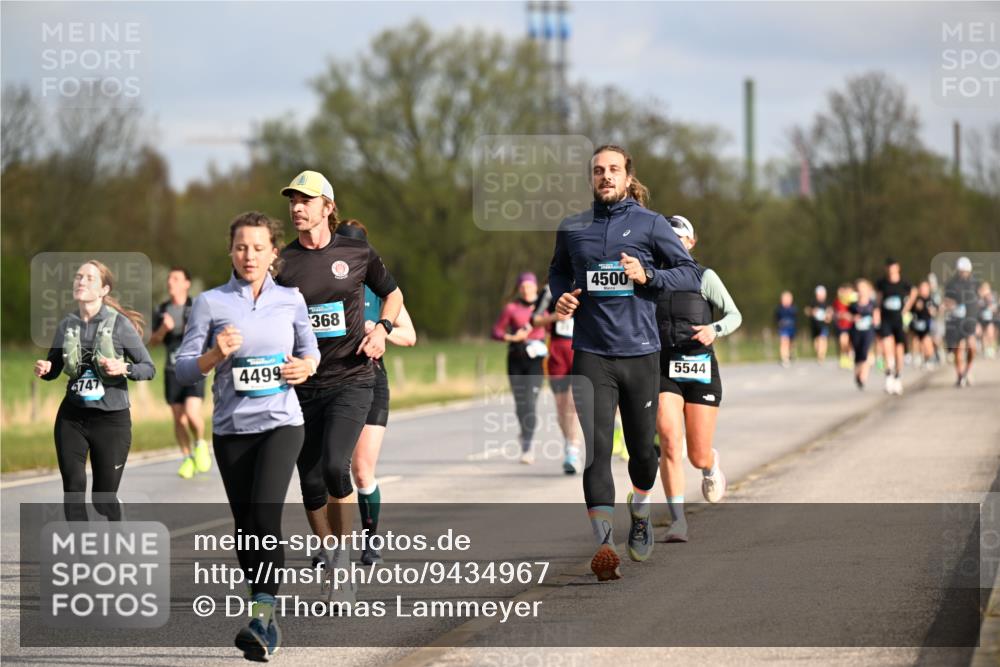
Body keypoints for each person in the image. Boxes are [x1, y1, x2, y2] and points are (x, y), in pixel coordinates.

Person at [549, 144, 702, 581]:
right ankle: (604, 545)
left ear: (627, 176)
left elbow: (689, 273)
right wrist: (561, 295)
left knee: (642, 453)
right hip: (591, 353)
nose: (606, 176)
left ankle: (640, 508)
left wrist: (648, 275)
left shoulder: (651, 224)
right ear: (591, 178)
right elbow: (557, 271)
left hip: (640, 352)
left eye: (613, 169)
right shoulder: (573, 227)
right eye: (598, 170)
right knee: (597, 451)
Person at [175, 212, 319, 661]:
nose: (249, 256)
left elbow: (310, 350)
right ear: (230, 251)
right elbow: (182, 368)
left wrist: (306, 367)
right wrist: (214, 354)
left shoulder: (291, 299)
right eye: (241, 247)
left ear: (274, 252)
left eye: (258, 248)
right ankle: (264, 616)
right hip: (232, 430)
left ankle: (261, 617)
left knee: (264, 516)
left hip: (282, 423)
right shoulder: (210, 303)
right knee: (244, 526)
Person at [275, 170, 403, 600]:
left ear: (328, 207)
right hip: (302, 386)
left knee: (335, 466)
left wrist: (383, 329)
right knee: (310, 481)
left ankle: (343, 561)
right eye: (292, 200)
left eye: (306, 200)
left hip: (352, 379)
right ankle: (330, 554)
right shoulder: (283, 263)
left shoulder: (357, 251)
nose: (297, 208)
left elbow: (394, 294)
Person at [34, 260, 156, 522]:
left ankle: (116, 512)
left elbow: (148, 368)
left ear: (104, 289)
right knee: (73, 489)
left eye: (90, 278)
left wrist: (123, 367)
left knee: (103, 499)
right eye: (78, 276)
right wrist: (46, 368)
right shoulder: (67, 325)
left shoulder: (120, 325)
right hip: (72, 417)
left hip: (111, 420)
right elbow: (55, 366)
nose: (81, 281)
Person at [654, 215, 742, 543]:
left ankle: (710, 465)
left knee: (697, 455)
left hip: (700, 368)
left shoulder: (705, 277)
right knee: (668, 440)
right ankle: (677, 520)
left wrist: (713, 329)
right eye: (667, 238)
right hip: (664, 368)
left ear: (691, 242)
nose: (673, 243)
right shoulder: (651, 278)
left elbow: (734, 315)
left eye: (679, 238)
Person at [337, 219, 417, 566]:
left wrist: (381, 331)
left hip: (371, 382)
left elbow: (410, 336)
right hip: (332, 383)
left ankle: (370, 541)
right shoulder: (323, 284)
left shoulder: (381, 289)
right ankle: (330, 544)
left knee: (361, 470)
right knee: (331, 469)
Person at [149, 267, 211, 479]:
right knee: (179, 419)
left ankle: (200, 443)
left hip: (194, 368)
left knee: (192, 414)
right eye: (169, 279)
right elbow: (153, 342)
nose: (170, 282)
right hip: (172, 370)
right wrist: (163, 329)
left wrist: (193, 330)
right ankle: (187, 458)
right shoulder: (162, 310)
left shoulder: (196, 307)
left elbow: (209, 333)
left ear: (186, 283)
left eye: (176, 278)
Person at [492, 273, 547, 464]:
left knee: (530, 402)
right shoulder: (511, 308)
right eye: (522, 286)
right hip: (516, 358)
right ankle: (524, 432)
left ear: (536, 287)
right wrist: (511, 337)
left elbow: (555, 326)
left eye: (529, 286)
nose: (526, 290)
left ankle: (528, 446)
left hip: (536, 360)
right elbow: (496, 331)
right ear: (519, 289)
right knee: (520, 404)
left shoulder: (544, 307)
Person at [532, 283, 582, 474]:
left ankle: (573, 451)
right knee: (561, 407)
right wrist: (555, 316)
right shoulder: (549, 289)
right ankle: (569, 444)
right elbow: (534, 319)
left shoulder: (587, 282)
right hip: (557, 352)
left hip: (580, 348)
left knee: (573, 403)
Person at [875, 258, 917, 395]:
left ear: (897, 268)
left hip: (899, 320)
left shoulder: (904, 283)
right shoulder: (882, 283)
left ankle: (898, 376)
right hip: (886, 320)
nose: (891, 271)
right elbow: (878, 300)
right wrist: (877, 313)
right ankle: (889, 376)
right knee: (887, 347)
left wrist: (907, 308)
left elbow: (914, 292)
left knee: (899, 350)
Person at [944, 256, 980, 388]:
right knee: (958, 350)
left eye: (966, 271)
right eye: (962, 271)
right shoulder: (951, 284)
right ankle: (960, 375)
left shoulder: (975, 283)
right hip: (957, 320)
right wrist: (951, 304)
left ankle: (967, 371)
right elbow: (946, 301)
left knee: (972, 347)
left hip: (970, 320)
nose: (964, 273)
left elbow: (978, 301)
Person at [849, 279, 879, 390]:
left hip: (868, 331)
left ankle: (863, 377)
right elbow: (845, 315)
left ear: (868, 289)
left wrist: (875, 321)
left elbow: (877, 317)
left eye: (863, 288)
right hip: (856, 332)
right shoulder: (853, 305)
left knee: (865, 353)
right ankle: (857, 374)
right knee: (858, 355)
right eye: (859, 289)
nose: (861, 291)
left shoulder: (872, 303)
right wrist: (853, 317)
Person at [909, 281, 937, 369]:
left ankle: (930, 358)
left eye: (925, 287)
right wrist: (915, 306)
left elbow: (935, 310)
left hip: (927, 323)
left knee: (926, 340)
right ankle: (918, 357)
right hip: (917, 323)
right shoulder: (916, 299)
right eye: (922, 287)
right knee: (916, 340)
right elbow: (910, 309)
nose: (923, 289)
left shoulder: (930, 299)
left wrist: (932, 311)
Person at [806, 285, 832, 363]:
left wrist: (828, 317)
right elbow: (807, 311)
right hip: (814, 325)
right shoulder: (813, 303)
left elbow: (830, 312)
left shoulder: (827, 303)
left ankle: (822, 355)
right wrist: (812, 312)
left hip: (823, 325)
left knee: (823, 338)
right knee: (816, 341)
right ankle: (818, 353)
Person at [833, 283, 856, 370]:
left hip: (853, 326)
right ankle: (843, 358)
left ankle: (849, 358)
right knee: (843, 342)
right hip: (842, 326)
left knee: (850, 344)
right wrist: (839, 315)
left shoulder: (854, 300)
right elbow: (835, 312)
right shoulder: (838, 301)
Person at [774, 291, 797, 367]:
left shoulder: (793, 308)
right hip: (783, 329)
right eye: (784, 299)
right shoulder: (779, 308)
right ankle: (784, 359)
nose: (786, 301)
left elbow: (795, 316)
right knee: (784, 342)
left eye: (788, 299)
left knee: (790, 344)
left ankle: (790, 354)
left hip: (791, 328)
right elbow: (776, 318)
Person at [977, 281, 997, 359]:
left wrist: (988, 300)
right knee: (983, 335)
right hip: (981, 319)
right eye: (984, 288)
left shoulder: (991, 296)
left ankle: (991, 349)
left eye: (987, 288)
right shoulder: (979, 298)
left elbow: (994, 307)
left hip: (990, 319)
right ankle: (985, 350)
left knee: (990, 334)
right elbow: (978, 307)